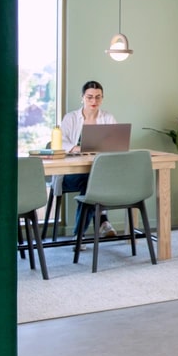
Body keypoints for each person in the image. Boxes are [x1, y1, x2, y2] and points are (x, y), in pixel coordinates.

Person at [60, 80, 118, 238]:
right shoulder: (70, 118)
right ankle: (102, 222)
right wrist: (77, 148)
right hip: (70, 175)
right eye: (90, 97)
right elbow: (60, 142)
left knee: (94, 180)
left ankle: (79, 235)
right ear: (82, 97)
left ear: (102, 98)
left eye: (98, 97)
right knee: (92, 182)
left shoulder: (108, 118)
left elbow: (116, 143)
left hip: (100, 172)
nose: (94, 101)